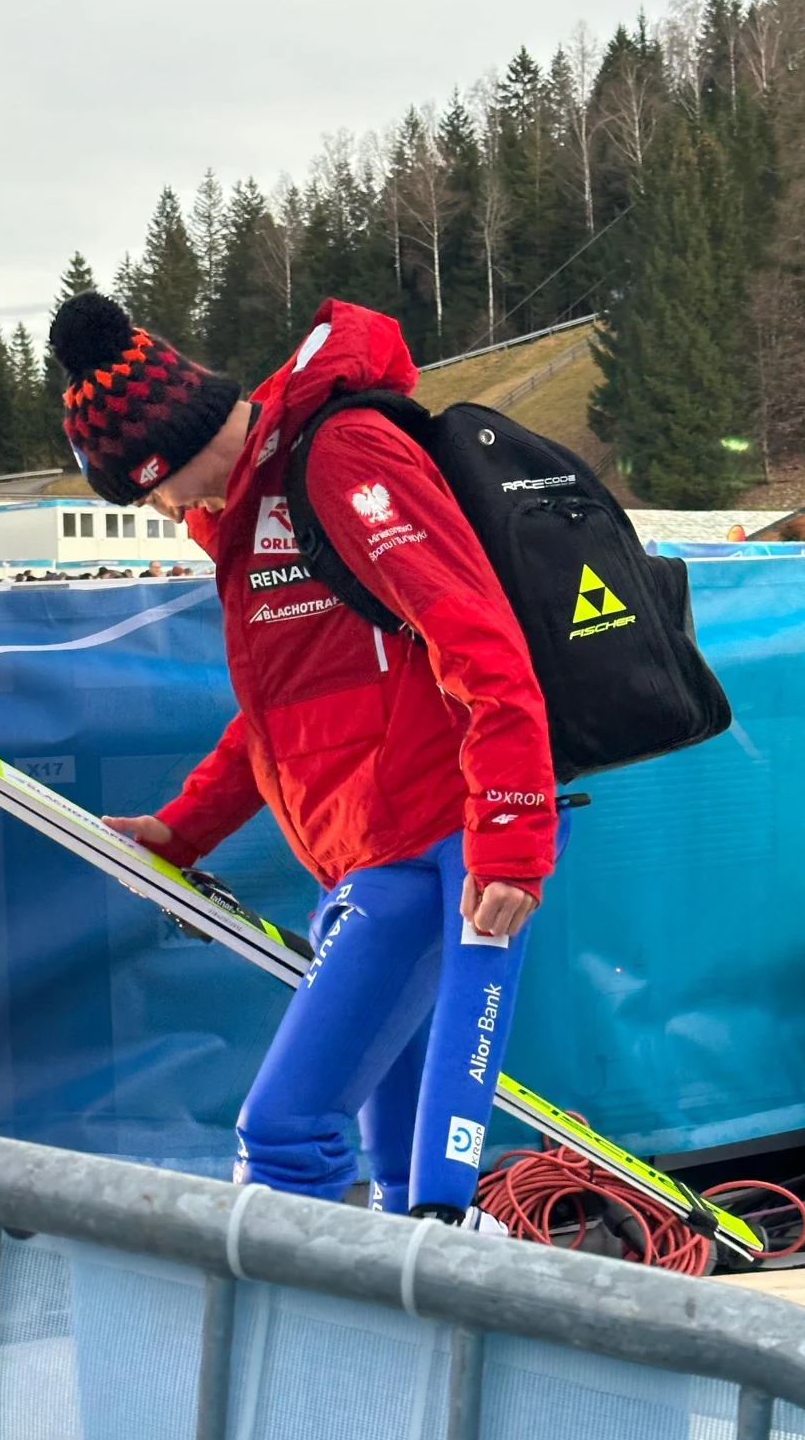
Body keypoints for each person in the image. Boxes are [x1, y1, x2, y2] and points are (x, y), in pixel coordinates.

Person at [52, 292, 562, 1227]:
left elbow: (480, 641)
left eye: (149, 488)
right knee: (406, 1176)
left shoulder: (339, 457)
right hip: (368, 850)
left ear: (167, 447)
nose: (166, 510)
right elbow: (279, 719)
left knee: (286, 1130)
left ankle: (276, 1355)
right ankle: (416, 1355)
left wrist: (513, 829)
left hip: (427, 848)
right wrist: (182, 828)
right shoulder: (248, 519)